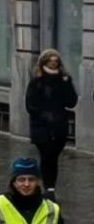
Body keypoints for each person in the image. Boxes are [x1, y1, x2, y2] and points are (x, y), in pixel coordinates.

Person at [33, 50, 81, 190]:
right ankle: (48, 187)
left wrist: (66, 84)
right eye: (50, 61)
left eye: (56, 61)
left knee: (53, 158)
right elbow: (31, 104)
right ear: (44, 62)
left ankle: (50, 187)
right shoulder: (37, 80)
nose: (53, 64)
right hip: (41, 127)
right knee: (46, 156)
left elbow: (71, 102)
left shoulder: (63, 79)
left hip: (59, 126)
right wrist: (43, 115)